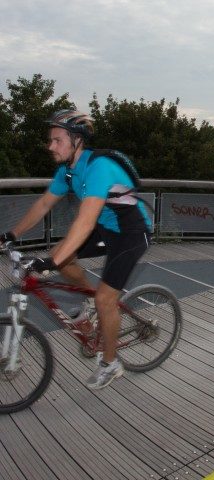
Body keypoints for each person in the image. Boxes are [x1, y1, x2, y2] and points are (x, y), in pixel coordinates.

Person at [0, 109, 150, 390]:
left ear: (77, 140)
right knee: (65, 259)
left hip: (131, 232)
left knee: (105, 297)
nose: (50, 146)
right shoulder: (67, 172)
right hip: (106, 228)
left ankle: (110, 363)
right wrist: (10, 234)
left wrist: (49, 262)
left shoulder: (99, 168)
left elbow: (85, 220)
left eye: (57, 140)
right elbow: (44, 204)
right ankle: (91, 303)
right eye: (50, 140)